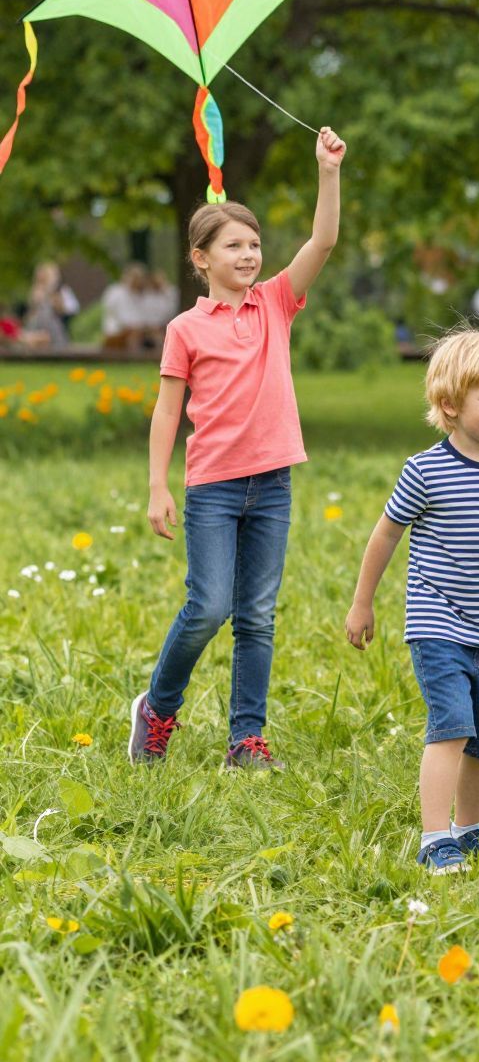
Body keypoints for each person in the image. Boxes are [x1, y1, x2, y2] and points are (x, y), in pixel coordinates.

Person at [128, 126, 347, 768]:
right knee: (209, 607)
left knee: (256, 616)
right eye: (234, 245)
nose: (249, 254)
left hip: (273, 483)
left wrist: (327, 171)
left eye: (254, 243)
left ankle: (245, 741)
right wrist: (157, 487)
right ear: (201, 257)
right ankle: (158, 709)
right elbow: (168, 409)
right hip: (214, 490)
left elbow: (324, 240)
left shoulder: (276, 303)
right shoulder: (184, 329)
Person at [344, 328, 479, 873]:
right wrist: (362, 603)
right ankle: (433, 837)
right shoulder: (426, 470)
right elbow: (385, 535)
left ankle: (466, 827)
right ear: (449, 404)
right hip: (436, 620)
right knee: (452, 727)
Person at [23, 262, 77, 348]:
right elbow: (32, 310)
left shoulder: (56, 290)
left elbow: (62, 310)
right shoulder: (35, 290)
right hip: (36, 322)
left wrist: (51, 297)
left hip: (51, 323)